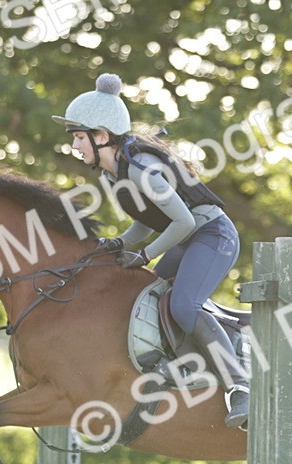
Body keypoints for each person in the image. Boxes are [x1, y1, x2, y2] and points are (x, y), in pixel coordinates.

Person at [53, 73, 249, 429]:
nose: (75, 146)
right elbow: (145, 223)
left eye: (79, 138)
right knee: (144, 296)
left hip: (212, 235)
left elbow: (185, 223)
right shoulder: (113, 174)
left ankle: (239, 385)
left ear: (101, 136)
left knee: (182, 304)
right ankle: (181, 365)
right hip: (186, 236)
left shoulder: (142, 169)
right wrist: (118, 244)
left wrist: (144, 256)